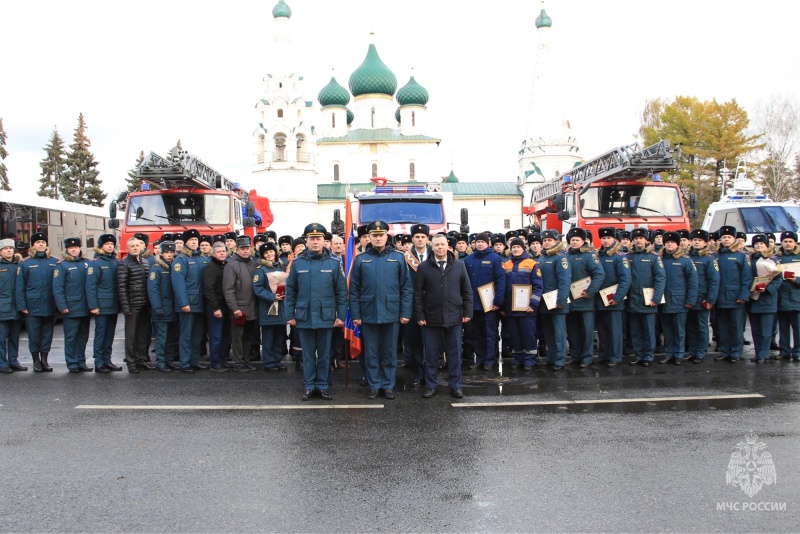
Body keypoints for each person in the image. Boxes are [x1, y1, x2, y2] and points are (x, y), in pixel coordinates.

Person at [350, 220, 413, 400]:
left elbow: (406, 288)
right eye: (374, 235)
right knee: (371, 352)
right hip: (368, 313)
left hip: (392, 312)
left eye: (381, 235)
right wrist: (356, 314)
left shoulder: (398, 257)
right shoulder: (361, 259)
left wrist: (405, 312)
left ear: (387, 236)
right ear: (369, 237)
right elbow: (354, 290)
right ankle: (374, 385)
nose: (378, 238)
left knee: (389, 352)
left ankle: (388, 385)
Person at [285, 223, 347, 401]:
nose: (315, 242)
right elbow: (291, 292)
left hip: (326, 316)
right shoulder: (297, 263)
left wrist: (341, 316)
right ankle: (310, 385)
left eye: (318, 238)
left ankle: (322, 385)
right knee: (308, 354)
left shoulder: (334, 264)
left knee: (325, 355)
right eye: (311, 239)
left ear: (324, 241)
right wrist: (289, 315)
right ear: (306, 241)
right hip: (304, 316)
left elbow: (341, 292)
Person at [414, 234, 473, 398]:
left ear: (448, 246)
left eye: (442, 244)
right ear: (431, 246)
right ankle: (431, 385)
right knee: (431, 355)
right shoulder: (424, 267)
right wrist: (419, 315)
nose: (440, 247)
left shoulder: (460, 266)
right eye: (436, 245)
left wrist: (468, 312)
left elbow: (467, 291)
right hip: (431, 318)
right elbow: (418, 294)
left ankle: (455, 386)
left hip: (454, 317)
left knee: (455, 355)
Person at [463, 233, 506, 371]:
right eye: (477, 242)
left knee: (490, 333)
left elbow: (501, 281)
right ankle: (479, 358)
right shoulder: (468, 260)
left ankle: (489, 360)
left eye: (483, 242)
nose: (480, 244)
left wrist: (498, 302)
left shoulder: (495, 259)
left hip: (490, 304)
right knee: (476, 333)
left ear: (488, 243)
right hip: (473, 304)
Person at [16, 232, 57, 372]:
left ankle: (45, 360)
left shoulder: (54, 262)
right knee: (34, 335)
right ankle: (36, 361)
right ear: (33, 245)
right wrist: (22, 305)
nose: (41, 244)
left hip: (50, 305)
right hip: (32, 306)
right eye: (38, 242)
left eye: (43, 242)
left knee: (47, 334)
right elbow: (20, 287)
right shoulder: (25, 264)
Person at [501, 237, 543, 370]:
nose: (516, 249)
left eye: (518, 247)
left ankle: (529, 360)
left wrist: (533, 304)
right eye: (513, 247)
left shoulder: (532, 264)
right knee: (515, 335)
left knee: (528, 334)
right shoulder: (506, 265)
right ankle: (518, 357)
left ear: (523, 248)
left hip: (527, 308)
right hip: (511, 308)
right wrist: (503, 306)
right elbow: (502, 287)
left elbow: (538, 286)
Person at [713, 225, 753, 363]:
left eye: (729, 237)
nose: (726, 239)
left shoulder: (741, 256)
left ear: (734, 239)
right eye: (724, 237)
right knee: (722, 326)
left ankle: (736, 352)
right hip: (719, 297)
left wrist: (743, 295)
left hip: (735, 297)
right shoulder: (715, 255)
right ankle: (725, 351)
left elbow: (747, 278)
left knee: (736, 327)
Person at [565, 227, 604, 367]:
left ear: (583, 241)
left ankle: (587, 358)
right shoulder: (566, 256)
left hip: (585, 300)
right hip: (570, 300)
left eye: (577, 240)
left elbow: (599, 275)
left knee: (587, 331)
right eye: (572, 240)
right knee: (573, 331)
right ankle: (575, 356)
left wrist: (590, 292)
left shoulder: (590, 256)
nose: (574, 242)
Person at [627, 228, 666, 366]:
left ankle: (648, 356)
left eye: (641, 238)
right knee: (636, 330)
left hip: (648, 300)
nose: (638, 240)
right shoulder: (628, 257)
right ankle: (638, 354)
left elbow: (660, 278)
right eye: (636, 238)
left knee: (649, 330)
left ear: (646, 240)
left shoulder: (654, 257)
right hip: (633, 299)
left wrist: (656, 297)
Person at [658, 231, 698, 365]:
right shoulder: (660, 259)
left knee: (679, 330)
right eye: (667, 242)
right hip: (664, 300)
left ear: (678, 244)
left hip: (679, 301)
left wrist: (690, 300)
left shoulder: (685, 260)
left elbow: (693, 282)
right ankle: (669, 353)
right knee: (667, 330)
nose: (669, 244)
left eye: (672, 242)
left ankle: (679, 354)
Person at [53, 237, 92, 373]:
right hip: (71, 307)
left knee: (83, 336)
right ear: (67, 249)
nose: (74, 249)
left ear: (80, 248)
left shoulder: (87, 263)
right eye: (71, 248)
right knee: (71, 337)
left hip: (85, 307)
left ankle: (81, 361)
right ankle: (72, 363)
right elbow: (57, 288)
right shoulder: (62, 265)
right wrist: (62, 306)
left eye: (76, 247)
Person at [594, 227, 631, 367]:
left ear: (614, 239)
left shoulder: (620, 257)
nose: (605, 240)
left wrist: (618, 297)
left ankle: (615, 356)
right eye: (603, 238)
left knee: (615, 330)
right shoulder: (597, 256)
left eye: (608, 238)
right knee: (602, 329)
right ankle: (604, 355)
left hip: (614, 299)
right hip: (600, 299)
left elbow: (625, 279)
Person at [172, 229, 208, 372]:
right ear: (186, 242)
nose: (194, 242)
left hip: (200, 302)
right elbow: (178, 283)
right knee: (186, 335)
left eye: (196, 240)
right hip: (188, 303)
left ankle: (195, 360)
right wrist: (184, 303)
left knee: (198, 335)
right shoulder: (181, 260)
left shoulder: (202, 258)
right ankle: (185, 363)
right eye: (191, 240)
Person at [86, 234, 122, 373]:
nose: (110, 246)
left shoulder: (116, 262)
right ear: (101, 246)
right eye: (107, 244)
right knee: (101, 334)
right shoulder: (96, 263)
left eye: (112, 244)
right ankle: (99, 362)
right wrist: (93, 306)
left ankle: (107, 360)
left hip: (113, 305)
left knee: (110, 334)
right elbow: (91, 286)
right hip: (101, 306)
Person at [116, 236, 153, 373]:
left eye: (138, 245)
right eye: (132, 246)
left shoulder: (145, 263)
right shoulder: (123, 264)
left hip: (145, 304)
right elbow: (121, 287)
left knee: (143, 334)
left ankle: (142, 359)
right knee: (131, 335)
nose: (136, 248)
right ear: (128, 248)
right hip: (132, 304)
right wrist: (125, 307)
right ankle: (131, 362)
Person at [223, 235, 259, 372]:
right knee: (237, 337)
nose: (245, 251)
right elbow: (228, 289)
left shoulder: (253, 263)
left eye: (247, 248)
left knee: (248, 336)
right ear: (237, 249)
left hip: (252, 307)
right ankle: (237, 363)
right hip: (240, 309)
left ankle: (246, 360)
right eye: (243, 248)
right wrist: (234, 308)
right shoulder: (231, 265)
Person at [685, 230, 720, 364]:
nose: (697, 242)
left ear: (705, 242)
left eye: (699, 240)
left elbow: (714, 281)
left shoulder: (709, 259)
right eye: (694, 240)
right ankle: (692, 351)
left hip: (702, 298)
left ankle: (701, 352)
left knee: (701, 327)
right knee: (690, 327)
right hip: (688, 298)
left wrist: (710, 299)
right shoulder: (687, 257)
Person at [538, 230, 571, 370]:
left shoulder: (560, 258)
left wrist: (561, 300)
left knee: (559, 332)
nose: (546, 242)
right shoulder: (542, 258)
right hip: (544, 301)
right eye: (544, 241)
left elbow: (564, 281)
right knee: (549, 332)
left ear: (556, 241)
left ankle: (560, 359)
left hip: (557, 301)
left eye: (549, 240)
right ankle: (551, 356)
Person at [402, 223, 431, 383]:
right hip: (413, 305)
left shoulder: (436, 254)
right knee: (415, 341)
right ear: (412, 239)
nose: (420, 239)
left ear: (427, 238)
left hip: (433, 304)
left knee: (432, 341)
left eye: (423, 237)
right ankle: (419, 373)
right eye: (417, 237)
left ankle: (431, 372)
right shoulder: (405, 258)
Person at [747, 234, 782, 363]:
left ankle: (763, 354)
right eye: (756, 244)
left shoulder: (772, 260)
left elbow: (778, 278)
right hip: (753, 298)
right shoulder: (749, 259)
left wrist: (767, 288)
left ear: (767, 245)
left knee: (766, 331)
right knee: (755, 330)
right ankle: (757, 353)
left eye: (761, 244)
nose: (759, 246)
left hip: (767, 299)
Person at [254, 242, 288, 371]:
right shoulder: (260, 270)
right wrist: (272, 297)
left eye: (271, 252)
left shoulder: (282, 267)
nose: (269, 254)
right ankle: (269, 363)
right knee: (268, 337)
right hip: (268, 307)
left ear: (275, 252)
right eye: (266, 253)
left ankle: (277, 361)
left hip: (281, 307)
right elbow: (257, 288)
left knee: (280, 336)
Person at [148, 240, 180, 372]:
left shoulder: (174, 267)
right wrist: (158, 308)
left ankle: (169, 360)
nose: (169, 255)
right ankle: (160, 362)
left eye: (171, 252)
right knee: (161, 338)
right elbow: (153, 290)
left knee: (172, 337)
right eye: (166, 252)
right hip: (162, 310)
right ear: (161, 253)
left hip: (173, 309)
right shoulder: (156, 269)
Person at [202, 242, 231, 371]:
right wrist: (215, 308)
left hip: (226, 306)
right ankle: (215, 362)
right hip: (216, 307)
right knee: (216, 336)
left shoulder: (226, 266)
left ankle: (223, 359)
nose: (222, 253)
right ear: (213, 253)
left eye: (223, 251)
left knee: (225, 336)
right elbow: (208, 289)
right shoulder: (210, 268)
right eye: (219, 252)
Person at [0, 239, 24, 373]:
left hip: (16, 306)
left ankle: (13, 361)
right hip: (2, 306)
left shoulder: (20, 265)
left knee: (14, 337)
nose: (8, 250)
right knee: (1, 338)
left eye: (11, 248)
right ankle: (2, 363)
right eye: (5, 248)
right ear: (0, 251)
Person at [776, 231, 800, 361]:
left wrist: (796, 279)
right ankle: (784, 351)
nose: (788, 244)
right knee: (783, 327)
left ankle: (798, 352)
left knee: (798, 328)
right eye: (785, 241)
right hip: (780, 297)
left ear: (795, 243)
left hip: (796, 298)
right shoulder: (776, 258)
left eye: (790, 241)